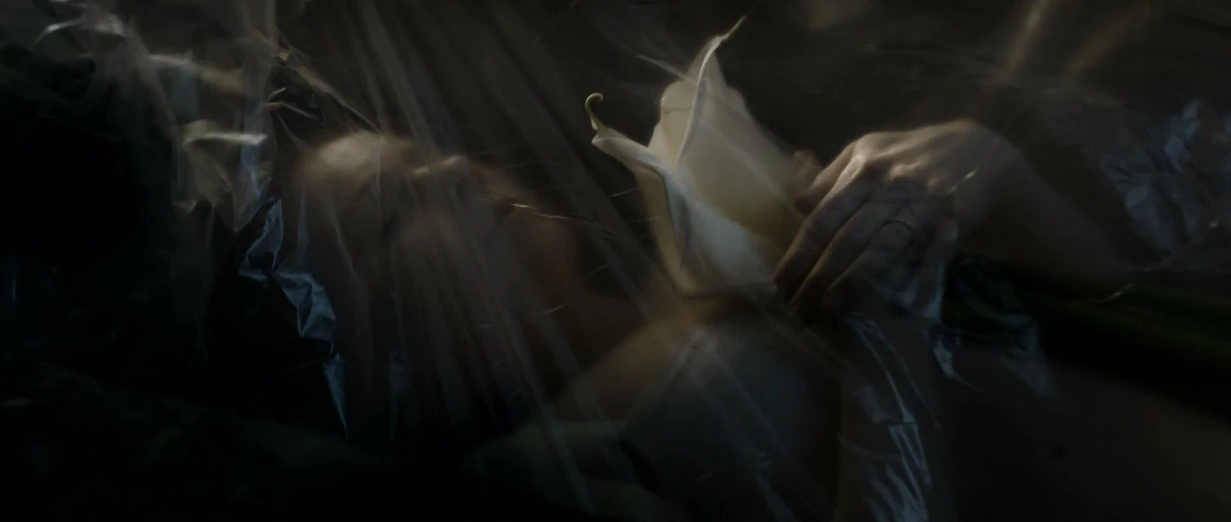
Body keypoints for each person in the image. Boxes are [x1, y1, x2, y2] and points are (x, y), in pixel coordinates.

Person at [288, 114, 1128, 520]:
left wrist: (996, 170)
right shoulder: (535, 475)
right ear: (365, 351)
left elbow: (1110, 321)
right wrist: (887, 335)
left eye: (423, 152)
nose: (451, 172)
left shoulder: (705, 244)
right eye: (387, 216)